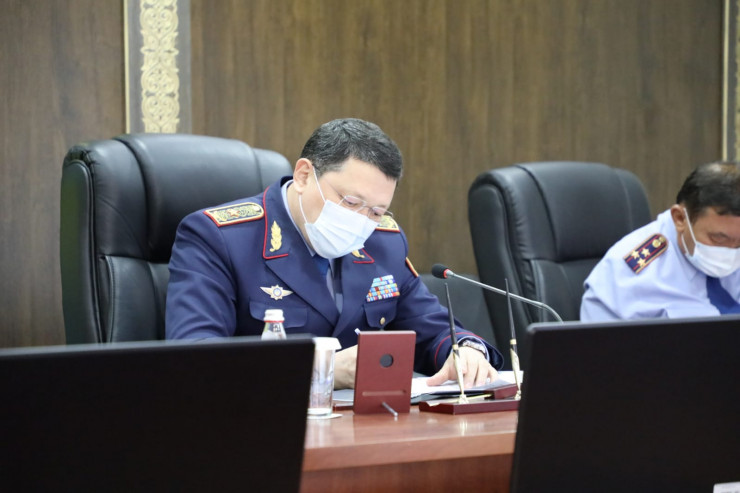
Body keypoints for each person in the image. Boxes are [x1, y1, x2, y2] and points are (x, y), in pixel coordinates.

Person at [166, 118, 503, 388]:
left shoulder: (383, 241)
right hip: (260, 426)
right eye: (352, 202)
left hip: (364, 429)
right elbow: (195, 358)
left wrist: (466, 351)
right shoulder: (220, 237)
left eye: (376, 211)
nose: (362, 221)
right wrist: (319, 367)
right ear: (304, 175)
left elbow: (432, 327)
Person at [581, 161, 740, 320]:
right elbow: (598, 335)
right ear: (680, 219)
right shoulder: (626, 273)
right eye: (719, 238)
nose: (732, 251)